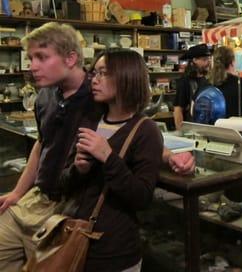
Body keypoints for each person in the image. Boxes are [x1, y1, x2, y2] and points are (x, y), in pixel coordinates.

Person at [0, 22, 102, 272]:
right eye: (31, 57)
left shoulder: (100, 96)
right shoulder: (44, 95)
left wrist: (168, 157)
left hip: (68, 211)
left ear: (71, 58)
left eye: (42, 57)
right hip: (35, 199)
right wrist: (17, 192)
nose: (32, 66)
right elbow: (42, 143)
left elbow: (137, 128)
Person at [63, 49, 163, 271]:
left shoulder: (146, 130)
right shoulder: (90, 121)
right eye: (94, 73)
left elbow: (142, 197)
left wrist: (108, 157)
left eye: (103, 73)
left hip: (115, 253)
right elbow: (64, 184)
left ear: (126, 77)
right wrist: (79, 170)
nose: (94, 80)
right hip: (76, 241)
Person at [173, 43, 212, 128]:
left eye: (209, 59)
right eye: (204, 59)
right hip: (192, 129)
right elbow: (178, 110)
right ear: (194, 60)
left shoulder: (209, 80)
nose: (208, 62)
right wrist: (181, 132)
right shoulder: (185, 81)